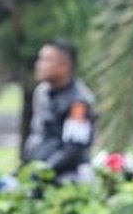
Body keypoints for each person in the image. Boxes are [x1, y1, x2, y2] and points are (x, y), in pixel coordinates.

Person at [21, 39, 96, 184]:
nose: (39, 65)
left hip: (67, 177)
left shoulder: (78, 102)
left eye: (46, 60)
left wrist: (43, 172)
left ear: (64, 66)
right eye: (40, 59)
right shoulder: (41, 92)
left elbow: (73, 151)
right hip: (37, 171)